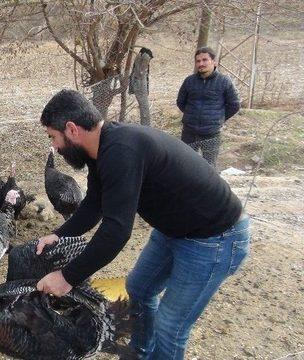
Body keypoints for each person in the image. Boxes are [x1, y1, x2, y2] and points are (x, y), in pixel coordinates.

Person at [35, 89, 250, 359]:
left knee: (171, 324)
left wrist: (67, 278)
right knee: (140, 289)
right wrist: (59, 235)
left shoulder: (121, 150)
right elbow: (94, 204)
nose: (54, 147)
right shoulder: (99, 149)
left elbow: (116, 230)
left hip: (215, 238)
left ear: (72, 129)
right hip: (176, 230)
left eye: (53, 138)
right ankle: (141, 353)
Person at [176, 47, 240, 169]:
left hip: (211, 133)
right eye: (198, 61)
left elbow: (234, 105)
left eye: (205, 60)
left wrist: (218, 118)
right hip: (189, 132)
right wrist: (191, 115)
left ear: (214, 62)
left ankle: (206, 189)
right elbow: (180, 102)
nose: (201, 64)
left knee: (209, 168)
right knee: (186, 166)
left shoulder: (224, 81)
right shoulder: (189, 81)